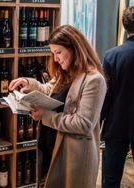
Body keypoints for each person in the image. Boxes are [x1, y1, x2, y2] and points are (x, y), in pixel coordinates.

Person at [9, 24, 107, 188]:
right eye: (53, 53)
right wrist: (28, 83)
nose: (55, 59)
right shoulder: (67, 72)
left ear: (75, 48)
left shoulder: (94, 80)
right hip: (54, 149)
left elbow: (83, 124)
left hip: (74, 157)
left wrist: (45, 116)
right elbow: (49, 89)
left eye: (59, 52)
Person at [101, 6, 134, 188]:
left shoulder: (111, 56)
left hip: (116, 124)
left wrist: (98, 122)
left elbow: (105, 95)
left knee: (111, 178)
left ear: (124, 27)